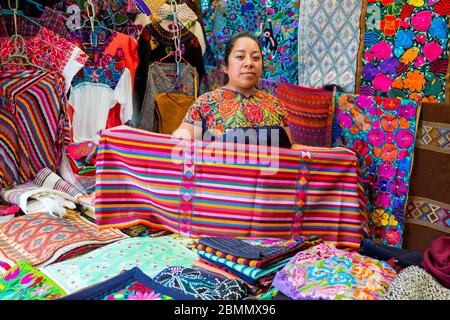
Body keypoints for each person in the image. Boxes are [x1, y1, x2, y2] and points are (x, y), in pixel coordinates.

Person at [172, 31, 292, 148]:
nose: (249, 63)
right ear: (225, 66)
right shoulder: (205, 104)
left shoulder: (275, 105)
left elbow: (290, 151)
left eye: (255, 58)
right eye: (240, 57)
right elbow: (181, 143)